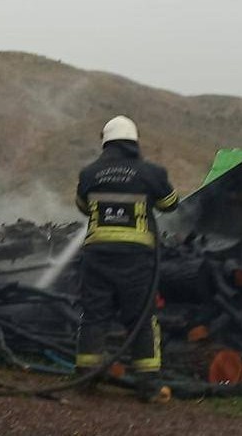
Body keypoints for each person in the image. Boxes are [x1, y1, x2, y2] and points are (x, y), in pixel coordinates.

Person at [74, 115, 178, 400]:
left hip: (97, 259)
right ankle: (148, 386)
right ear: (135, 142)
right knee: (142, 319)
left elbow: (83, 207)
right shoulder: (152, 172)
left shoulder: (89, 173)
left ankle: (86, 379)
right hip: (136, 261)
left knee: (94, 316)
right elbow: (170, 204)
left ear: (106, 142)